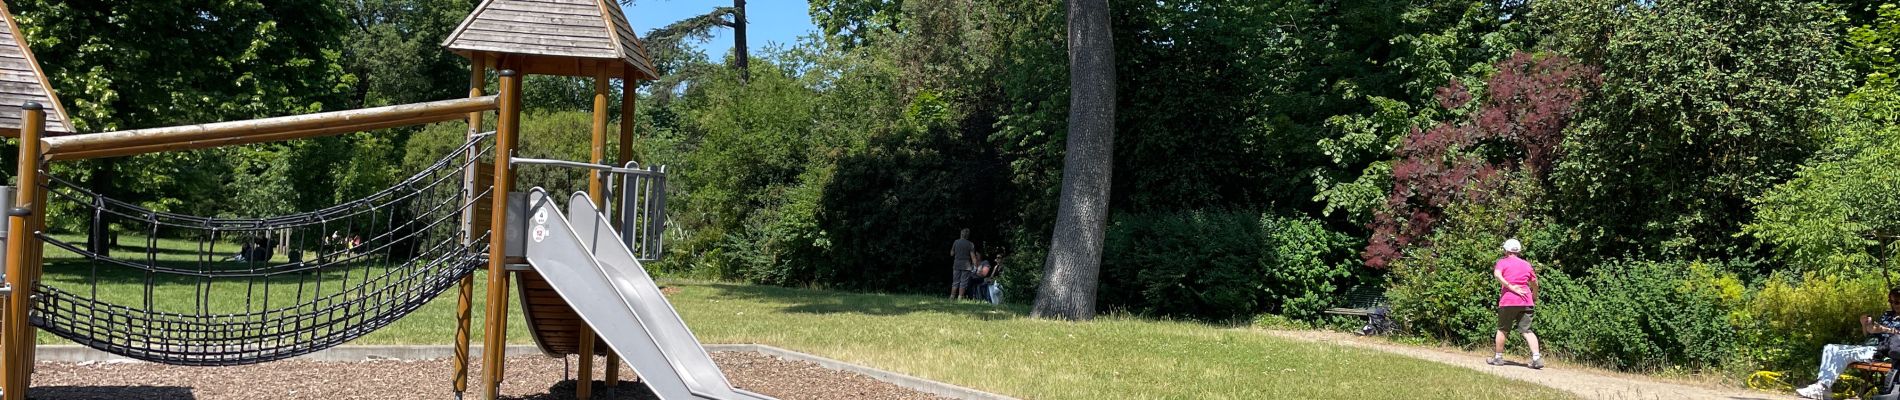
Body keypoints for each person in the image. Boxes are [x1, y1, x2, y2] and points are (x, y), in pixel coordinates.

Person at [1796, 289, 1900, 399]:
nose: (1893, 305)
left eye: (1897, 302)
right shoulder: (1887, 315)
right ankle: (1823, 386)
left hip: (1883, 352)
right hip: (1871, 347)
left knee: (1842, 353)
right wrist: (1866, 326)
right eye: (1891, 301)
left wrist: (1886, 329)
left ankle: (1822, 388)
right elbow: (1869, 335)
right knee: (1830, 348)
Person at [1487, 238, 1544, 369]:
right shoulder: (1526, 265)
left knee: (1502, 330)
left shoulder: (1502, 262)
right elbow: (1535, 283)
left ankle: (1498, 358)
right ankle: (1536, 358)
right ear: (1518, 251)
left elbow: (1497, 274)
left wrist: (1509, 286)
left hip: (1508, 300)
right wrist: (1534, 296)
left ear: (1506, 250)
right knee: (1527, 330)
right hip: (1526, 300)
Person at [950, 228, 976, 300]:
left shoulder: (956, 242)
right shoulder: (970, 244)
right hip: (966, 266)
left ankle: (952, 297)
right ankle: (960, 298)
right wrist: (975, 266)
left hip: (956, 264)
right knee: (963, 282)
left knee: (955, 281)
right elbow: (973, 257)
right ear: (968, 235)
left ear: (961, 234)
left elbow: (952, 253)